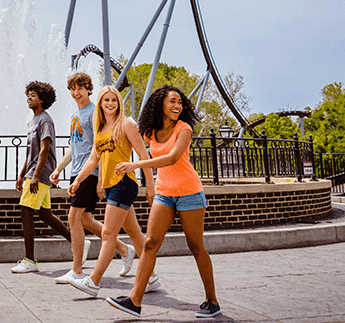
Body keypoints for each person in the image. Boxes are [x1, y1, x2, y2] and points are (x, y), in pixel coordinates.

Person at [106, 85, 221, 319]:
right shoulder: (150, 131)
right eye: (172, 102)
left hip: (189, 192)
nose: (177, 106)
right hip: (164, 193)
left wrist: (135, 165)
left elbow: (171, 158)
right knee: (149, 243)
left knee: (195, 246)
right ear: (161, 104)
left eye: (179, 102)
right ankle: (135, 301)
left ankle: (212, 301)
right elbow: (136, 145)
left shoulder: (184, 129)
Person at [66, 85, 156, 298]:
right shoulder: (101, 129)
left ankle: (93, 281)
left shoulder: (127, 124)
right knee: (134, 232)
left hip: (125, 182)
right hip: (111, 185)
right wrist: (78, 180)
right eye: (106, 100)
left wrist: (150, 186)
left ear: (119, 103)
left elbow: (144, 156)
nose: (110, 103)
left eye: (114, 100)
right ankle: (151, 276)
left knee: (108, 233)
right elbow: (93, 160)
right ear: (100, 103)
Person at [50, 74, 137, 284]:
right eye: (72, 89)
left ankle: (77, 270)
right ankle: (125, 250)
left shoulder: (93, 113)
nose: (76, 93)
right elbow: (74, 146)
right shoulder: (75, 115)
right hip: (78, 172)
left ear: (89, 89)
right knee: (85, 220)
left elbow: (100, 147)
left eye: (80, 88)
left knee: (73, 217)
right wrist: (59, 168)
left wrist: (99, 179)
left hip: (91, 173)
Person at [11, 81, 73, 273]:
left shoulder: (45, 120)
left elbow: (45, 149)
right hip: (32, 173)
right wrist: (21, 175)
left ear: (42, 99)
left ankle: (30, 260)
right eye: (28, 95)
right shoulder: (32, 121)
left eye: (33, 95)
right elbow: (31, 152)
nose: (29, 98)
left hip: (40, 173)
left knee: (26, 211)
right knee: (45, 214)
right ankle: (79, 242)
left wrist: (36, 176)